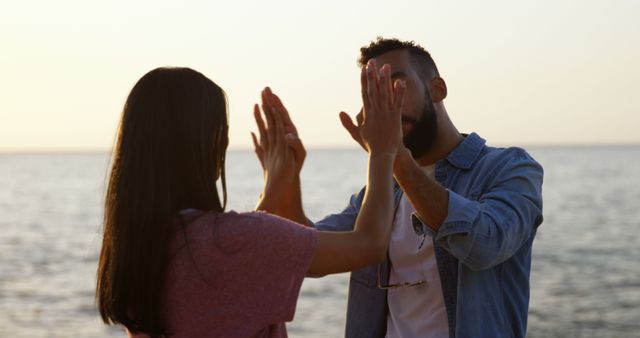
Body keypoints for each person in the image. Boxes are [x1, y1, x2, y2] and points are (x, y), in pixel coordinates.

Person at [251, 38, 544, 338]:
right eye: (373, 93)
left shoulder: (509, 168)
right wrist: (282, 180)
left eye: (395, 86)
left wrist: (392, 156)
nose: (385, 105)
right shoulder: (379, 195)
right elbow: (307, 254)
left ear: (437, 89)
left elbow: (485, 244)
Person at [95, 66, 407, 337]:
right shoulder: (236, 242)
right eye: (222, 131)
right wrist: (382, 151)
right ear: (208, 141)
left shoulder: (138, 247)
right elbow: (368, 244)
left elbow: (235, 265)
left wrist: (277, 185)